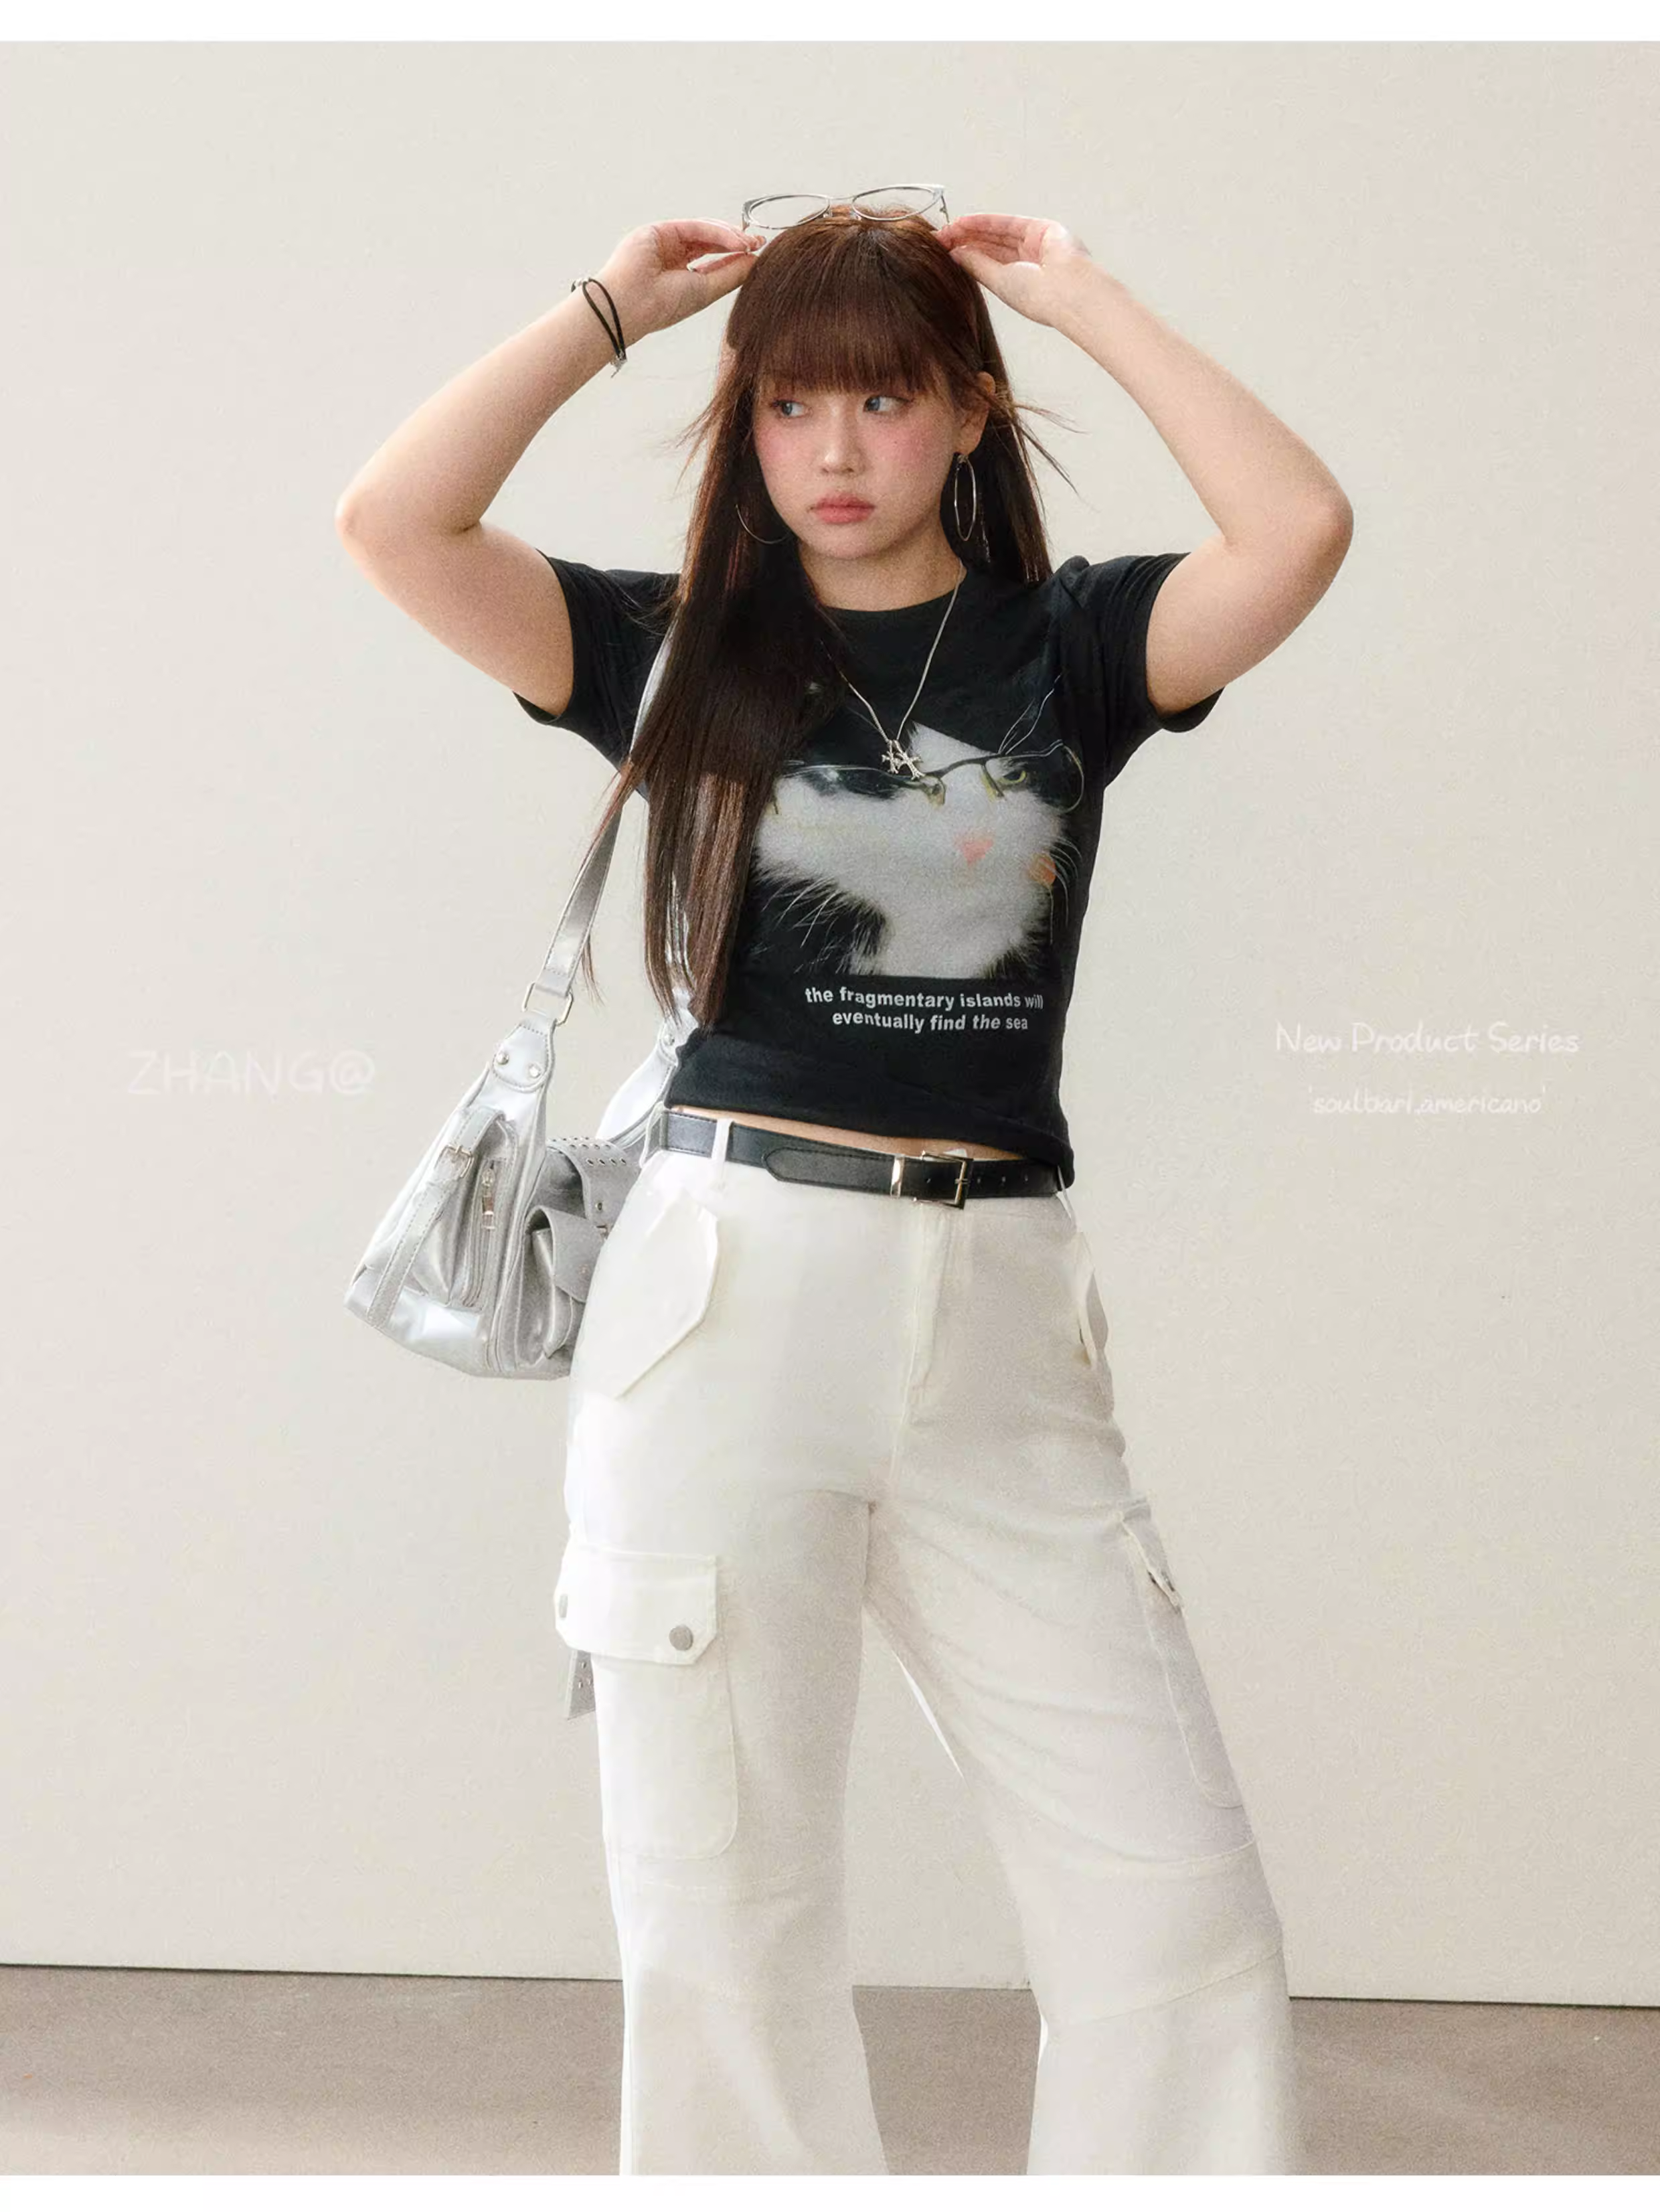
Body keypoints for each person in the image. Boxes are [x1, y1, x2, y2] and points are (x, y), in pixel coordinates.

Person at [335, 195, 1353, 2176]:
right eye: (791, 405)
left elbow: (1296, 530)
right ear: (748, 425)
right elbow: (397, 522)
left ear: (967, 414)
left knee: (1174, 1911)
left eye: (883, 400)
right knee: (725, 1914)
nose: (834, 449)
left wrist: (1080, 298)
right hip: (732, 1287)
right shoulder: (678, 650)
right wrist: (611, 310)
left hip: (1005, 1314)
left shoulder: (1068, 651)